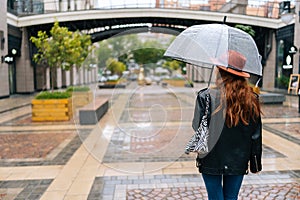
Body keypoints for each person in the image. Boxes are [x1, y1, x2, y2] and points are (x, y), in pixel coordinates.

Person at [192, 50, 262, 200]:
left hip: (210, 156)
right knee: (231, 197)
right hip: (239, 158)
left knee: (214, 197)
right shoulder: (251, 99)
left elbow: (196, 126)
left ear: (220, 71)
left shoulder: (205, 97)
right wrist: (256, 162)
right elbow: (255, 135)